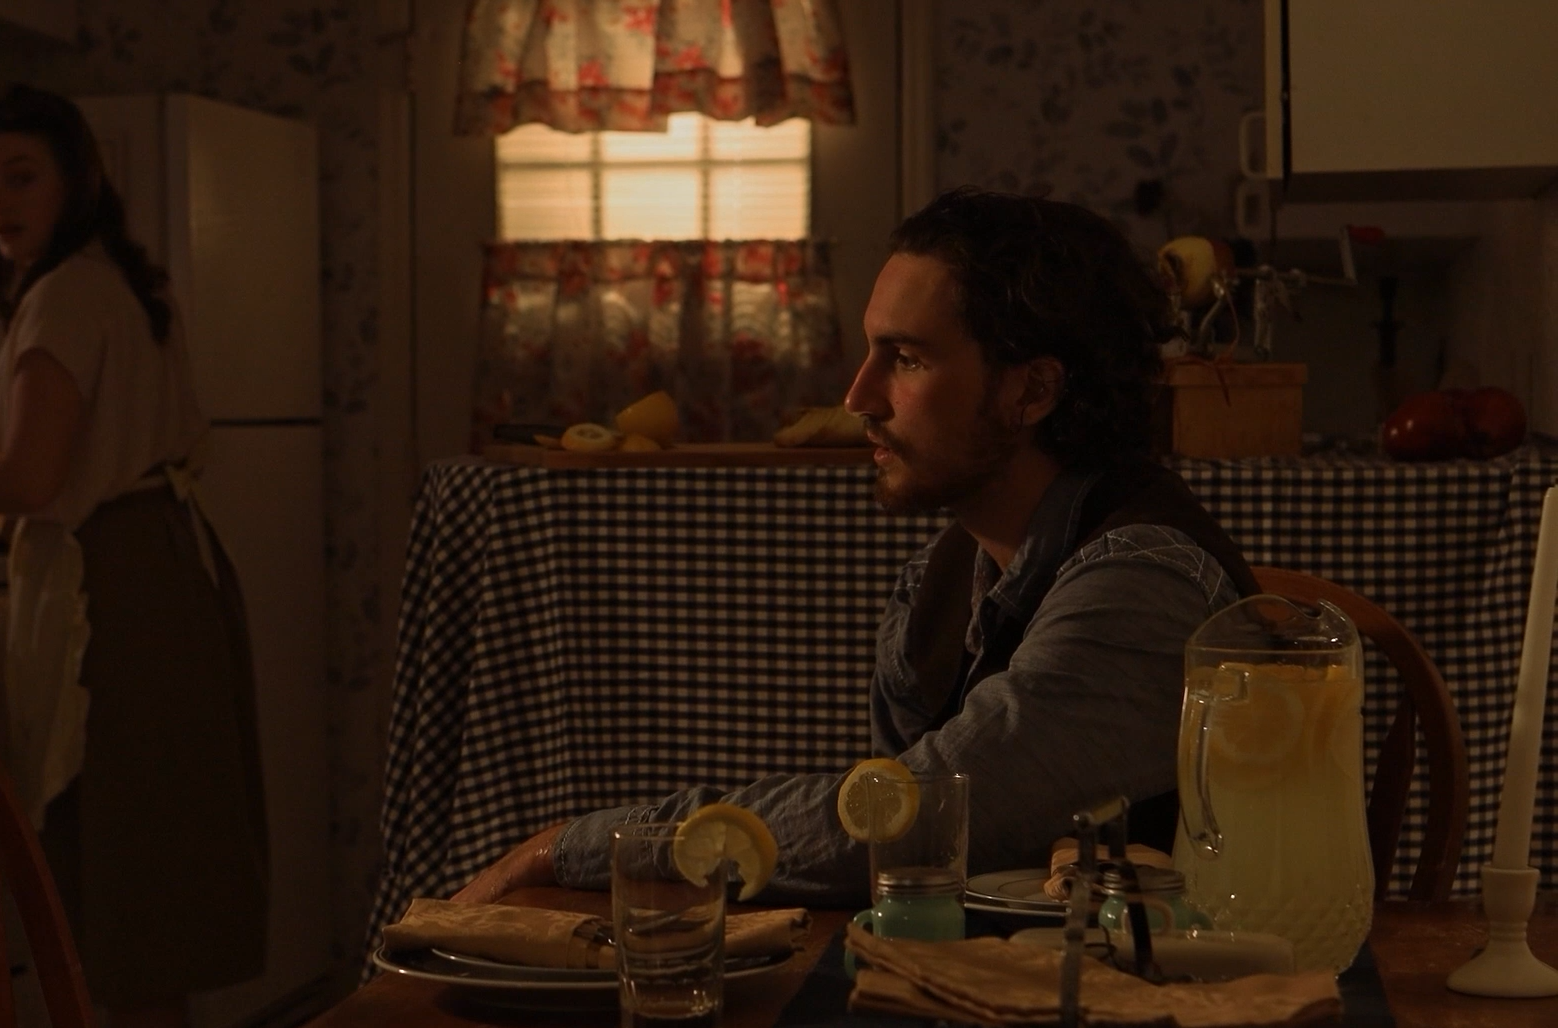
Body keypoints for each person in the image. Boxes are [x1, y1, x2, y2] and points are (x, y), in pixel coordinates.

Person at [453, 188, 1258, 906]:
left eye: (905, 359)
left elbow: (911, 821)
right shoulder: (940, 580)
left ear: (1033, 389)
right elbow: (897, 864)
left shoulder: (1144, 583)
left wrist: (587, 845)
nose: (858, 396)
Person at [0, 85, 267, 1028]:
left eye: (21, 178)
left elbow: (29, 478)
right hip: (165, 572)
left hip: (117, 595)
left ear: (74, 181)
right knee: (152, 892)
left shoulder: (65, 296)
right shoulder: (122, 283)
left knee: (127, 888)